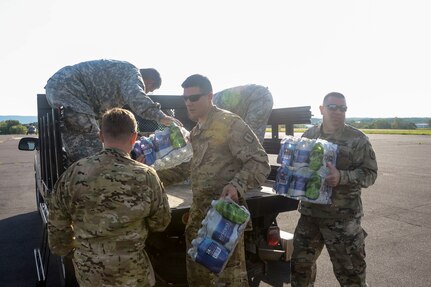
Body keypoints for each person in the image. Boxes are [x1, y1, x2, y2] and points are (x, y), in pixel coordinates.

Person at [157, 74, 270, 286]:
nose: (189, 103)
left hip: (223, 221)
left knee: (227, 280)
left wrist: (237, 186)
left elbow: (260, 162)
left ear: (209, 96)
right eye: (186, 99)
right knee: (198, 277)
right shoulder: (197, 131)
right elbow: (189, 167)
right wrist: (151, 174)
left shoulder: (229, 123)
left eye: (195, 97)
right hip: (200, 218)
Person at [47, 107, 171, 287]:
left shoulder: (74, 172)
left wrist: (72, 252)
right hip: (133, 273)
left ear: (101, 136)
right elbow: (160, 223)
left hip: (90, 273)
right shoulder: (146, 175)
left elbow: (57, 226)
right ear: (134, 137)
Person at [290, 92, 378, 287]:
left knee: (352, 276)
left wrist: (342, 177)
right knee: (299, 270)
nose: (338, 112)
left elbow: (370, 173)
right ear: (322, 109)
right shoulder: (310, 136)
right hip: (310, 216)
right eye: (333, 107)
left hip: (343, 221)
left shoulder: (357, 139)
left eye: (343, 108)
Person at [44, 59, 181, 163]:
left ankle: (78, 182)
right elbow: (136, 96)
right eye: (149, 90)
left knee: (79, 148)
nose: (147, 92)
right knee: (93, 153)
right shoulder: (132, 73)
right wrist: (162, 117)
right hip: (69, 87)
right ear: (149, 82)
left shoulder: (122, 72)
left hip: (63, 87)